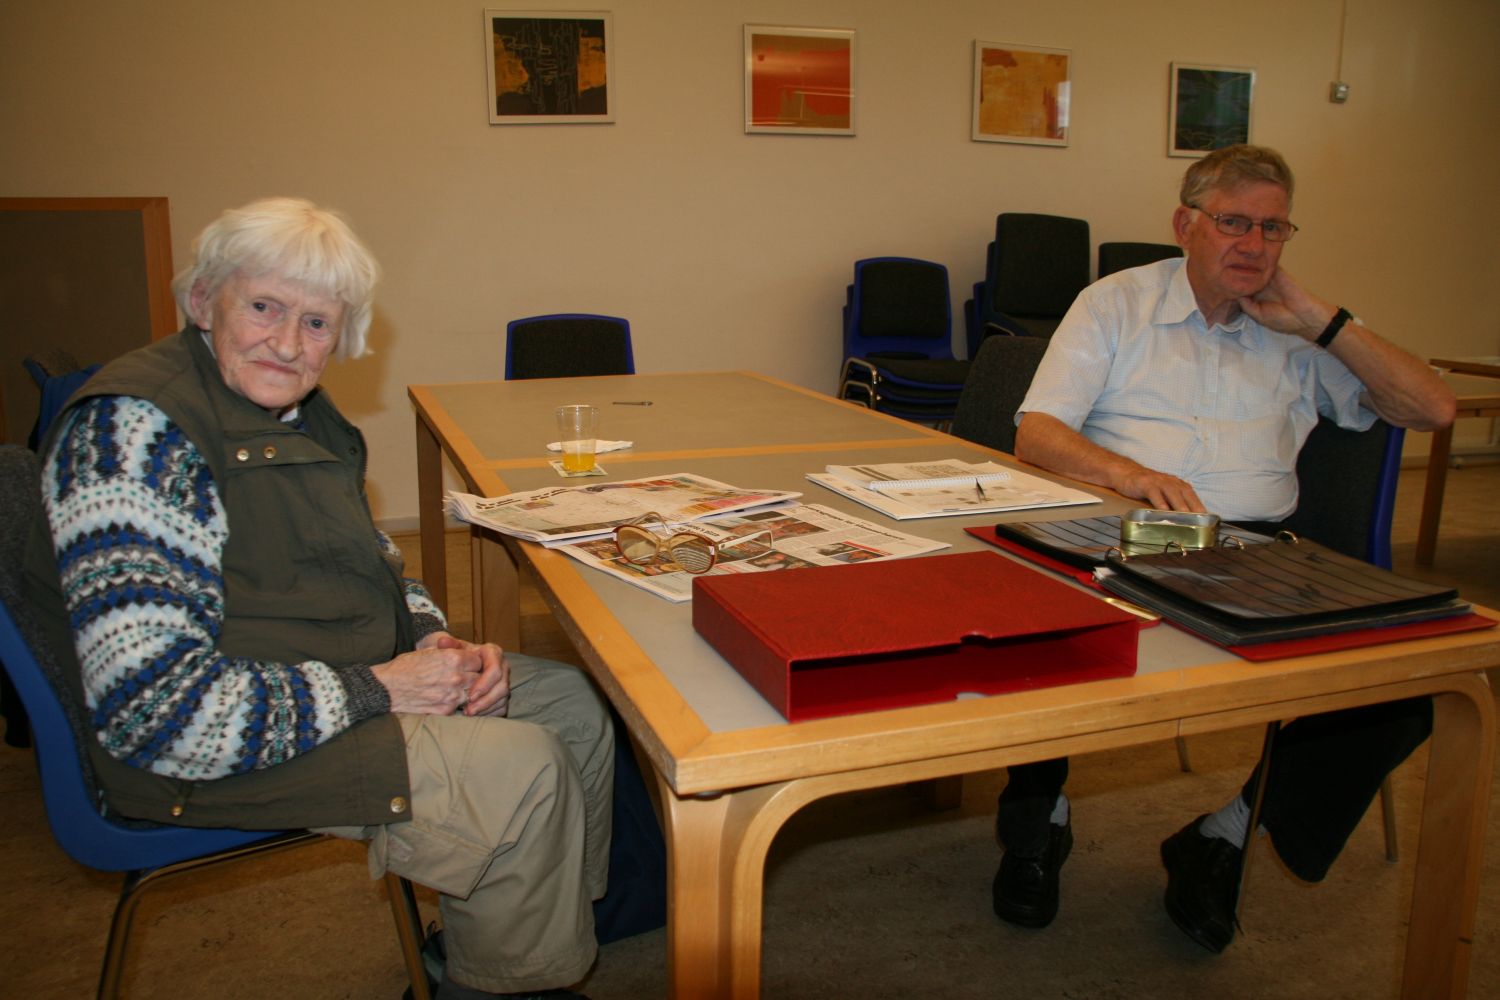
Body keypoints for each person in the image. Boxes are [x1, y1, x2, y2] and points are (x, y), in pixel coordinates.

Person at [21, 197, 613, 1000]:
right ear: (204, 300)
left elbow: (376, 565)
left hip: (305, 672)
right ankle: (504, 984)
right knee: (522, 767)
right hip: (198, 749)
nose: (288, 343)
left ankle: (530, 943)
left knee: (571, 704)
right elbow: (155, 713)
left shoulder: (301, 414)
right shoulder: (136, 437)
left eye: (316, 323)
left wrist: (431, 640)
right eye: (263, 308)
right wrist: (379, 687)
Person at [990, 145, 1456, 952]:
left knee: (1404, 686)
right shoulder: (1117, 303)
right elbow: (1037, 433)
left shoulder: (1298, 330)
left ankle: (1225, 835)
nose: (1254, 244)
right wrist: (1130, 475)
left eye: (1273, 228)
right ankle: (1040, 821)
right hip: (1121, 533)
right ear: (1186, 224)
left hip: (1256, 553)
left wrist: (1319, 318)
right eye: (1234, 222)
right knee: (1040, 633)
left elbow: (1434, 409)